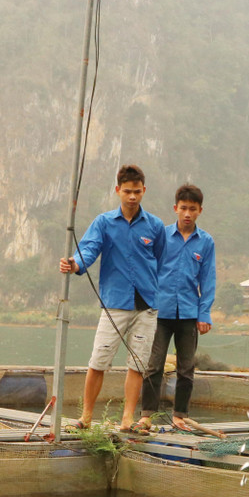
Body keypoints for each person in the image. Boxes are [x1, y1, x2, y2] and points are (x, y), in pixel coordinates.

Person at [60, 164, 167, 432]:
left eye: (137, 192)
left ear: (144, 191)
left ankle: (127, 419)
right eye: (127, 191)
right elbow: (89, 248)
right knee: (98, 360)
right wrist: (74, 264)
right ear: (118, 191)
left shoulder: (154, 226)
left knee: (137, 364)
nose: (132, 197)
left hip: (147, 305)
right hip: (114, 303)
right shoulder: (104, 223)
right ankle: (85, 416)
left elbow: (163, 260)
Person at [137, 183, 216, 432]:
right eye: (183, 208)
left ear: (200, 211)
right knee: (154, 365)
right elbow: (149, 270)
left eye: (192, 209)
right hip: (160, 312)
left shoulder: (205, 242)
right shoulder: (162, 237)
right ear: (175, 208)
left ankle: (179, 415)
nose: (187, 214)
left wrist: (204, 313)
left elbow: (208, 280)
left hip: (189, 314)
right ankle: (146, 415)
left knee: (186, 368)